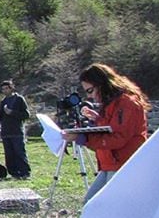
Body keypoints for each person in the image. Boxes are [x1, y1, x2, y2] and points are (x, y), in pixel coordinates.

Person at [61, 63, 149, 203]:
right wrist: (97, 119)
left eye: (90, 91)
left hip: (123, 163)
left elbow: (118, 138)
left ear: (102, 84)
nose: (89, 96)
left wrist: (84, 138)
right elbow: (113, 127)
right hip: (111, 163)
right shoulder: (112, 103)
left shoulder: (127, 103)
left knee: (106, 207)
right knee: (91, 204)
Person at [0, 80, 30, 179]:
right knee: (9, 154)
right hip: (6, 132)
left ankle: (25, 172)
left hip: (16, 131)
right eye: (3, 89)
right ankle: (13, 173)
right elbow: (1, 118)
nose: (5, 91)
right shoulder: (3, 101)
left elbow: (26, 115)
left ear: (11, 88)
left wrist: (12, 112)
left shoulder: (19, 99)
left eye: (6, 88)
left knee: (19, 152)